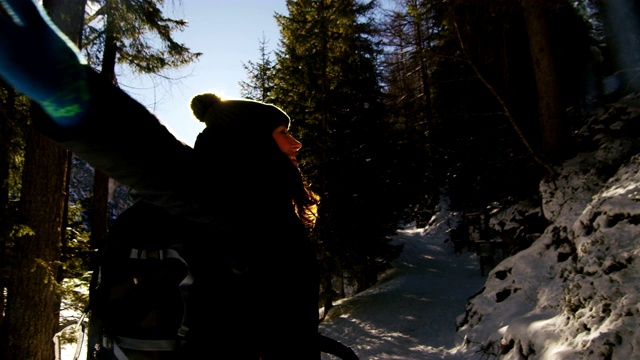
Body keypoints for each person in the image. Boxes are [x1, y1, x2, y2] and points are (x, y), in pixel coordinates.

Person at [0, 0, 325, 358]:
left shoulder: (259, 200)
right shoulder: (236, 198)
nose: (296, 143)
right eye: (282, 132)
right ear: (251, 142)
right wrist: (71, 94)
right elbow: (160, 163)